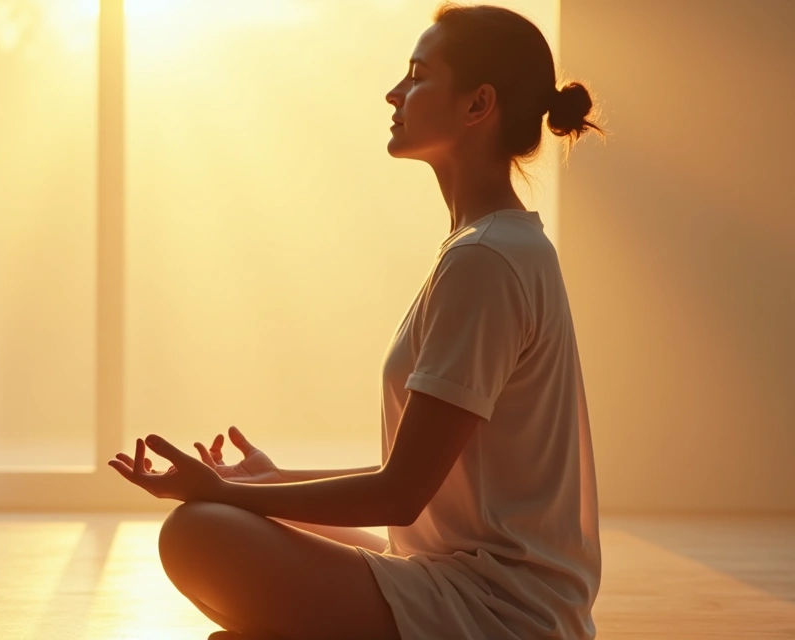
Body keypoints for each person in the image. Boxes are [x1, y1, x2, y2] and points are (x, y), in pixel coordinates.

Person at [107, 2, 607, 638]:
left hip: (500, 614)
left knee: (200, 530)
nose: (394, 92)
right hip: (464, 582)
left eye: (418, 74)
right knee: (230, 536)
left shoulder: (486, 259)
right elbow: (413, 483)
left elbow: (398, 495)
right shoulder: (491, 248)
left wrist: (225, 493)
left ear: (478, 105)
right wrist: (269, 480)